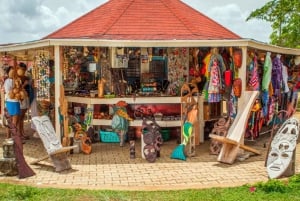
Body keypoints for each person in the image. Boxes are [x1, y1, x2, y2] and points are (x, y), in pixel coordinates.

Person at [3, 66, 20, 138]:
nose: (13, 73)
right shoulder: (7, 81)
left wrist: (18, 85)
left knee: (15, 122)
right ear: (8, 72)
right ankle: (8, 138)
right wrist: (15, 88)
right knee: (10, 122)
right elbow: (9, 93)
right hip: (10, 102)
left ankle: (13, 138)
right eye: (11, 72)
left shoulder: (16, 80)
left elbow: (19, 90)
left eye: (14, 72)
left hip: (16, 102)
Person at [18, 62, 31, 140]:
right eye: (22, 69)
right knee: (20, 118)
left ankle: (22, 132)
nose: (23, 71)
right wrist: (24, 85)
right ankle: (20, 133)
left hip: (26, 98)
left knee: (22, 118)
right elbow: (16, 90)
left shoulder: (25, 77)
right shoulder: (17, 78)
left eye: (24, 69)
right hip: (21, 98)